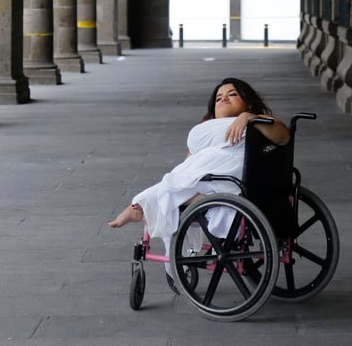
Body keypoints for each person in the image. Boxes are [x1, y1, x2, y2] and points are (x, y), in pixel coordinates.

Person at [107, 77, 290, 243]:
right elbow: (189, 164)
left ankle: (142, 205)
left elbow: (283, 136)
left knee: (179, 184)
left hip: (236, 180)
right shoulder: (209, 131)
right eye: (218, 98)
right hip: (209, 179)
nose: (223, 99)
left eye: (232, 94)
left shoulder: (259, 122)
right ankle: (143, 204)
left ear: (249, 103)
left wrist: (248, 117)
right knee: (182, 175)